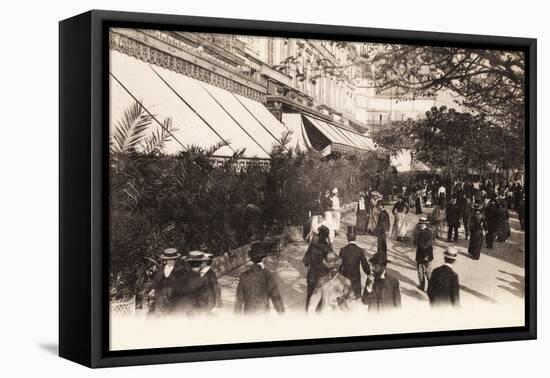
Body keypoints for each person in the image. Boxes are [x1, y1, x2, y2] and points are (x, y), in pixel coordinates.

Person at [234, 242, 285, 314]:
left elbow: (239, 301)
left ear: (252, 259)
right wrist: (282, 313)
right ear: (264, 258)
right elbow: (276, 298)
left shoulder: (244, 276)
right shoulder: (268, 275)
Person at [303, 225, 332, 308]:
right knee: (322, 301)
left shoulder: (313, 247)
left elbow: (305, 262)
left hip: (312, 276)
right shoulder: (328, 249)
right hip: (323, 277)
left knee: (310, 298)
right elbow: (334, 263)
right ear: (327, 237)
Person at [149, 248, 184, 314]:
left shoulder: (179, 270)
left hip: (174, 297)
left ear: (175, 259)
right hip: (161, 297)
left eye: (172, 259)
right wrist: (153, 289)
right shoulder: (162, 268)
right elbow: (156, 280)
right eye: (168, 259)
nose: (169, 261)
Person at [339, 226, 370, 299]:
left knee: (345, 300)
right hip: (356, 279)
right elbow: (364, 264)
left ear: (347, 237)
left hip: (345, 279)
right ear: (355, 237)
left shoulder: (343, 250)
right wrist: (369, 273)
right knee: (356, 299)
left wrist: (339, 277)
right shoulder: (360, 250)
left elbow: (339, 266)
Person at [415, 217, 434, 291]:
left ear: (422, 224)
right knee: (428, 271)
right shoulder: (429, 232)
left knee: (420, 272)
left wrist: (425, 255)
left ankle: (422, 286)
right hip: (429, 255)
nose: (420, 225)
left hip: (421, 256)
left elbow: (422, 246)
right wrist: (428, 255)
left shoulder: (421, 233)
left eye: (420, 224)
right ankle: (432, 287)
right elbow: (430, 244)